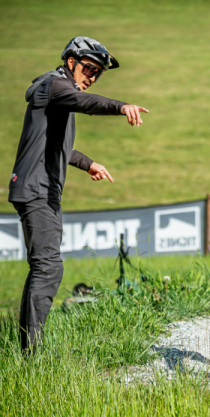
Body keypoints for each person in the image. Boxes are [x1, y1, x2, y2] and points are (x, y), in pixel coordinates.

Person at [7, 37, 148, 354]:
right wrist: (120, 106)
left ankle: (30, 347)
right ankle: (31, 354)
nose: (92, 76)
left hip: (43, 189)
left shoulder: (58, 95)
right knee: (47, 267)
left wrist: (87, 163)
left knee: (47, 266)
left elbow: (58, 146)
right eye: (88, 68)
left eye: (97, 72)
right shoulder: (55, 86)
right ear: (71, 61)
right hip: (36, 188)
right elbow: (88, 104)